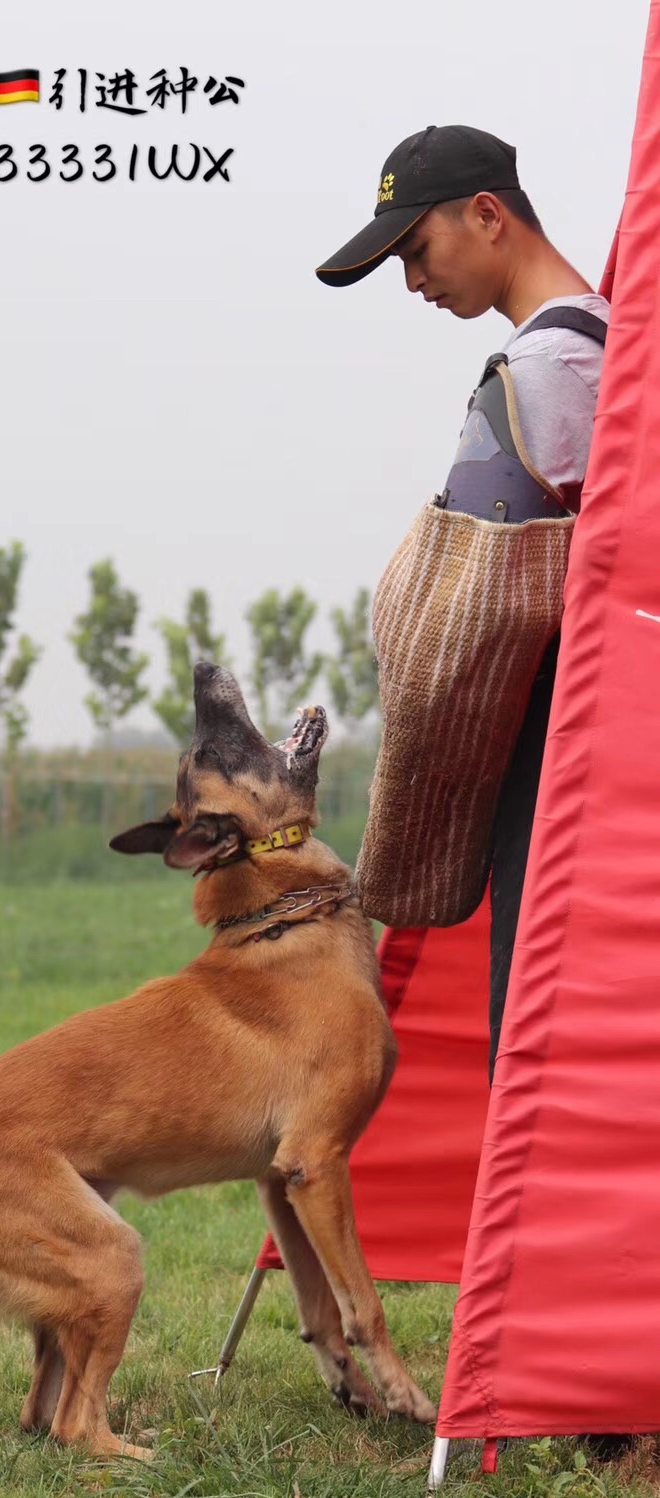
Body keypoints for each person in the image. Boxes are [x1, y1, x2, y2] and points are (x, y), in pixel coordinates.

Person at [314, 124, 609, 1082]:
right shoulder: (623, 346)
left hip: (557, 759)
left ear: (487, 215)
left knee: (537, 1048)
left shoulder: (538, 374)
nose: (413, 283)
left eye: (416, 251)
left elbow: (460, 607)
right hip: (623, 747)